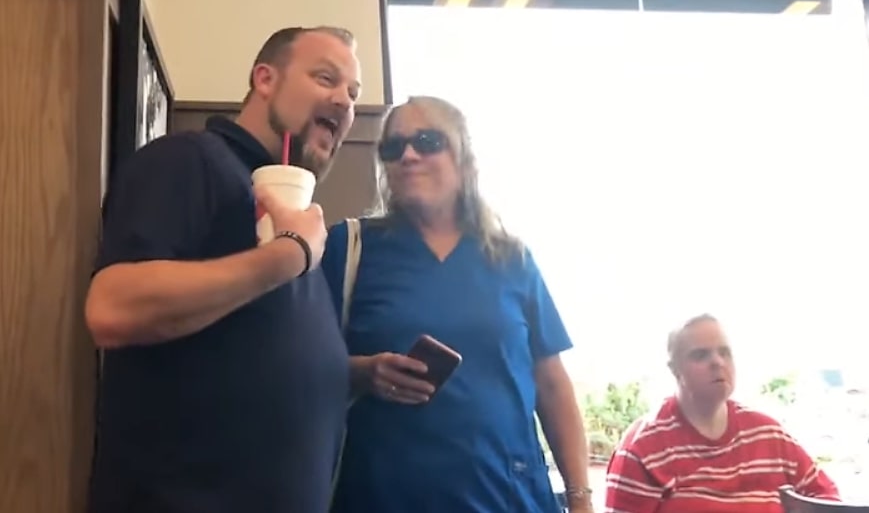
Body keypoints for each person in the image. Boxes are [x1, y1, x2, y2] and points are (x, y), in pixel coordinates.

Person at [85, 26, 362, 513]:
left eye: (354, 94)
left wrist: (352, 374)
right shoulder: (190, 161)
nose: (343, 101)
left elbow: (243, 362)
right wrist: (289, 255)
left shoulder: (293, 215)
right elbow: (114, 308)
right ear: (265, 79)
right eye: (326, 78)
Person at [321, 96, 594, 513]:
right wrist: (363, 372)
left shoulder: (510, 259)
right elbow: (297, 367)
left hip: (510, 497)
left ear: (466, 162)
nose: (409, 155)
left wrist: (580, 500)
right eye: (393, 148)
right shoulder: (350, 249)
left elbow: (552, 385)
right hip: (385, 497)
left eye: (428, 141)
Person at [604, 314, 839, 513]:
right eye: (700, 355)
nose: (717, 362)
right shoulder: (642, 448)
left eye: (724, 352)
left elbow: (826, 499)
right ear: (674, 369)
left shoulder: (769, 435)